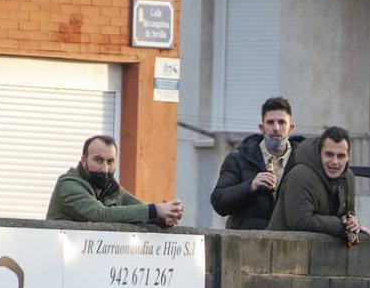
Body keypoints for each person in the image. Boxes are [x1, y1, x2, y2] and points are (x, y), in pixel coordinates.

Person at [45, 135, 184, 226]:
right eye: (98, 160)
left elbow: (139, 210)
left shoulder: (112, 189)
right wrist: (156, 210)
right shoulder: (68, 185)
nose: (104, 169)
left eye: (110, 161)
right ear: (84, 161)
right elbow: (100, 214)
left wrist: (164, 218)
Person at [267, 126, 370, 242]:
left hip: (320, 254)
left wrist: (353, 222)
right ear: (319, 153)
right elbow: (300, 221)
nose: (335, 162)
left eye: (341, 156)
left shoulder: (348, 177)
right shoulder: (300, 175)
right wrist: (341, 226)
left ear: (348, 156)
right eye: (329, 155)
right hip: (281, 251)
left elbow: (349, 212)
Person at [210, 97, 303, 230]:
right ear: (262, 128)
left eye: (282, 122)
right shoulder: (239, 158)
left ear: (291, 128)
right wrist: (250, 186)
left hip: (290, 244)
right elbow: (219, 203)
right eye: (270, 122)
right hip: (247, 243)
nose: (276, 128)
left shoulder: (303, 161)